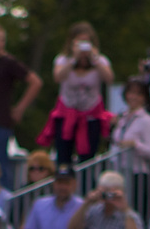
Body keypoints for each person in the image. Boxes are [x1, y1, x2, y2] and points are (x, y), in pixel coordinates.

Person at [0, 22, 40, 190]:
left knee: (0, 165)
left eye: (1, 40)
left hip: (0, 121)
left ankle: (6, 203)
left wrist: (20, 108)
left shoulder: (9, 63)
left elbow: (35, 82)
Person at [42, 22, 113, 167]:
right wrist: (73, 58)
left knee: (87, 157)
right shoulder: (63, 60)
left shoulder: (100, 60)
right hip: (67, 114)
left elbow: (109, 78)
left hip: (90, 116)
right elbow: (57, 77)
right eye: (80, 42)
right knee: (63, 156)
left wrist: (94, 58)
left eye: (86, 42)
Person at [111, 79, 150, 210]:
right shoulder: (122, 118)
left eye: (138, 94)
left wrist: (135, 145)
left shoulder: (147, 120)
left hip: (137, 173)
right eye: (131, 93)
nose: (133, 97)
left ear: (144, 97)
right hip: (119, 171)